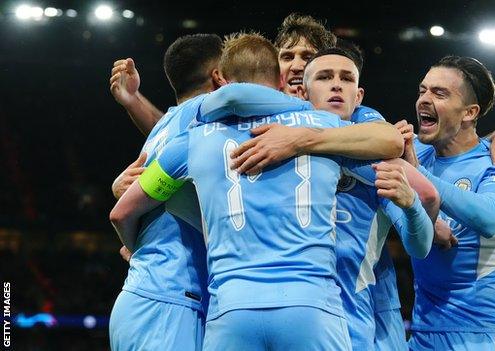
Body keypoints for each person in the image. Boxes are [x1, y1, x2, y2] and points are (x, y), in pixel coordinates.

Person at [110, 32, 429, 351]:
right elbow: (395, 148)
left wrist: (137, 241)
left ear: (222, 79)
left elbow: (122, 210)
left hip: (230, 312)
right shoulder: (328, 129)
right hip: (314, 310)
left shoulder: (195, 137)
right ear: (282, 79)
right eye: (288, 58)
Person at [107, 33, 223, 351]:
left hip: (149, 297)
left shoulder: (169, 125)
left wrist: (133, 99)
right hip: (170, 300)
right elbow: (120, 213)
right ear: (220, 76)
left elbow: (181, 147)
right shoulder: (209, 117)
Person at [408, 56, 495, 351]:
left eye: (439, 93)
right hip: (423, 331)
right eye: (422, 90)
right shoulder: (418, 152)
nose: (424, 99)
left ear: (469, 112)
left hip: (483, 335)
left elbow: (492, 217)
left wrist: (416, 177)